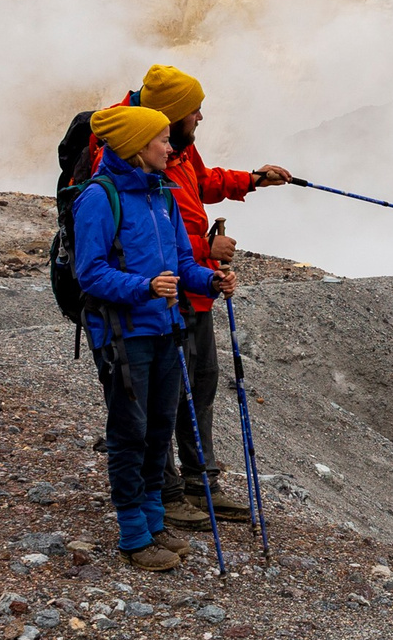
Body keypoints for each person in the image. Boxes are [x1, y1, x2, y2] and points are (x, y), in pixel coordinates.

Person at [70, 103, 234, 572]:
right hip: (124, 335)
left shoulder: (161, 192)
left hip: (167, 328)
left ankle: (155, 520)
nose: (170, 146)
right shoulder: (100, 198)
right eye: (161, 140)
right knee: (130, 432)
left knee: (159, 429)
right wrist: (143, 288)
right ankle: (134, 533)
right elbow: (90, 273)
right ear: (137, 147)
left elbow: (183, 263)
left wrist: (209, 281)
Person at [136, 65, 291, 524]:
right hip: (162, 295)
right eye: (194, 111)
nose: (200, 117)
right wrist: (206, 247)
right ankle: (165, 492)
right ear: (172, 114)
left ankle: (199, 482)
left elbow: (200, 183)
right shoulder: (139, 154)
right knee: (164, 390)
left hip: (195, 286)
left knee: (199, 383)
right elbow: (148, 229)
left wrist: (251, 179)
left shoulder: (175, 147)